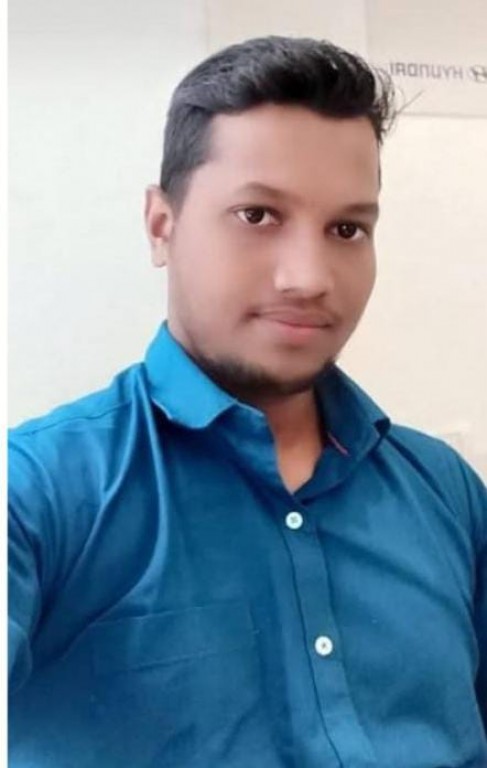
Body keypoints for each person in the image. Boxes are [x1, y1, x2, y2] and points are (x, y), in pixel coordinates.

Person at [8, 34, 487, 768]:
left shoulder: (444, 490)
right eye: (258, 215)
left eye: (346, 229)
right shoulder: (39, 492)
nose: (309, 277)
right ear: (161, 224)